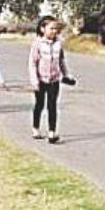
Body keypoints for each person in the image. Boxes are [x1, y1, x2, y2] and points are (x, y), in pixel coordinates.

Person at [28, 15, 73, 144]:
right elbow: (32, 63)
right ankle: (35, 129)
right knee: (39, 105)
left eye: (56, 29)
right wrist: (34, 81)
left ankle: (52, 133)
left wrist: (66, 75)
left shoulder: (59, 44)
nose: (54, 31)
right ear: (43, 29)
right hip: (41, 80)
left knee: (52, 106)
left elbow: (61, 61)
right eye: (51, 28)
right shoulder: (37, 44)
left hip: (54, 80)